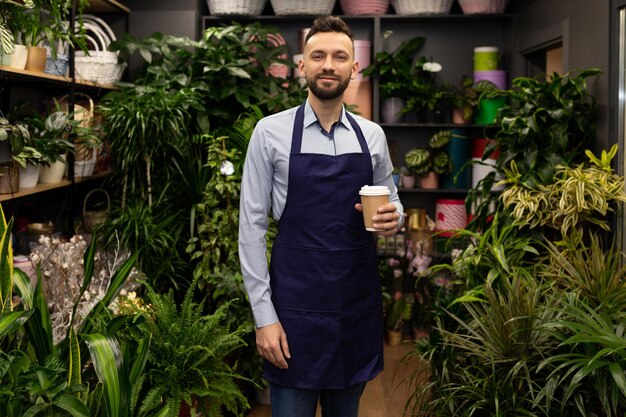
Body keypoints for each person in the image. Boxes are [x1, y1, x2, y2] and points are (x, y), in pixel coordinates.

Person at [238, 15, 404, 417]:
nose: (329, 64)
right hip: (292, 313)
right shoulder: (269, 133)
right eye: (319, 55)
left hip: (355, 309)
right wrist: (264, 319)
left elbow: (392, 200)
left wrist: (393, 216)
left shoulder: (372, 136)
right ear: (303, 66)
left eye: (339, 56)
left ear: (354, 68)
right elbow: (251, 229)